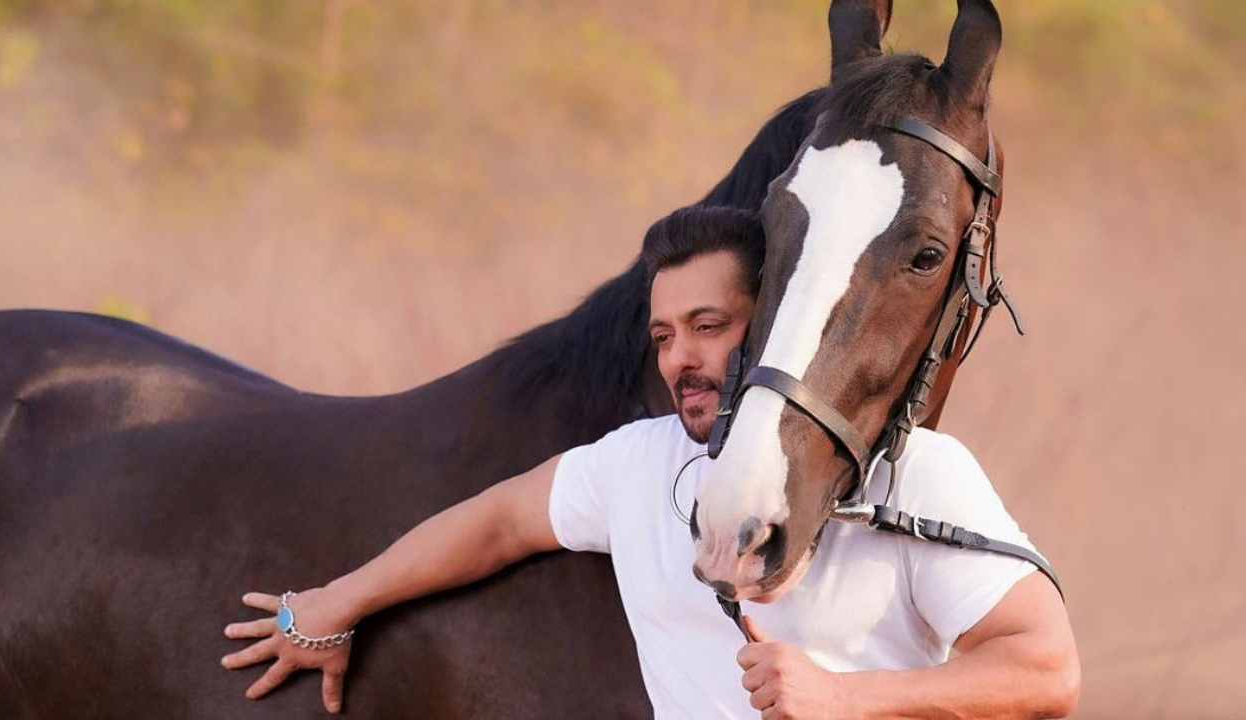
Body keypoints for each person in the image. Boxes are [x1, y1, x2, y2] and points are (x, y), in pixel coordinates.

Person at [221, 205, 1080, 719]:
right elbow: (495, 525)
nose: (680, 359)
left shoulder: (912, 471)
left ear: (775, 316)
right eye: (665, 336)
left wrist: (848, 700)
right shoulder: (639, 464)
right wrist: (336, 605)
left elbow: (1047, 668)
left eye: (710, 326)